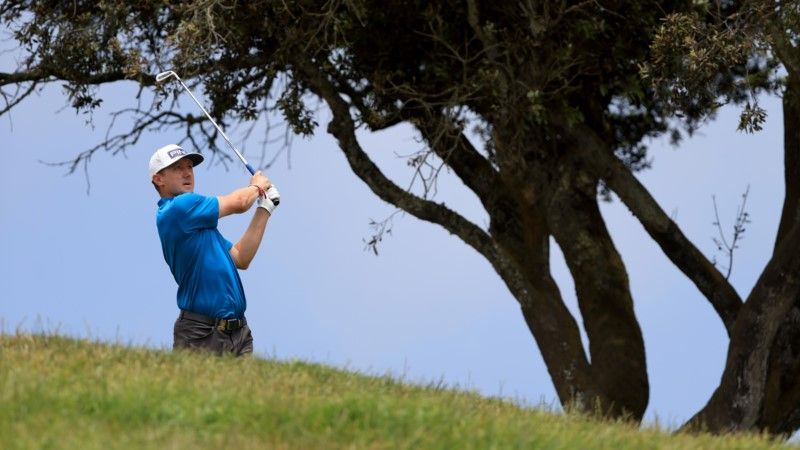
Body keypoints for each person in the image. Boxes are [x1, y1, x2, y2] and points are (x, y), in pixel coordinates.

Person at [149, 143, 280, 356]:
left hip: (239, 332)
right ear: (158, 179)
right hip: (201, 332)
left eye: (189, 166)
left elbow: (240, 258)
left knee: (247, 391)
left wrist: (265, 208)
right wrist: (258, 186)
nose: (187, 173)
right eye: (177, 168)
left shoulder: (198, 222)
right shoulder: (179, 209)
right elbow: (239, 203)